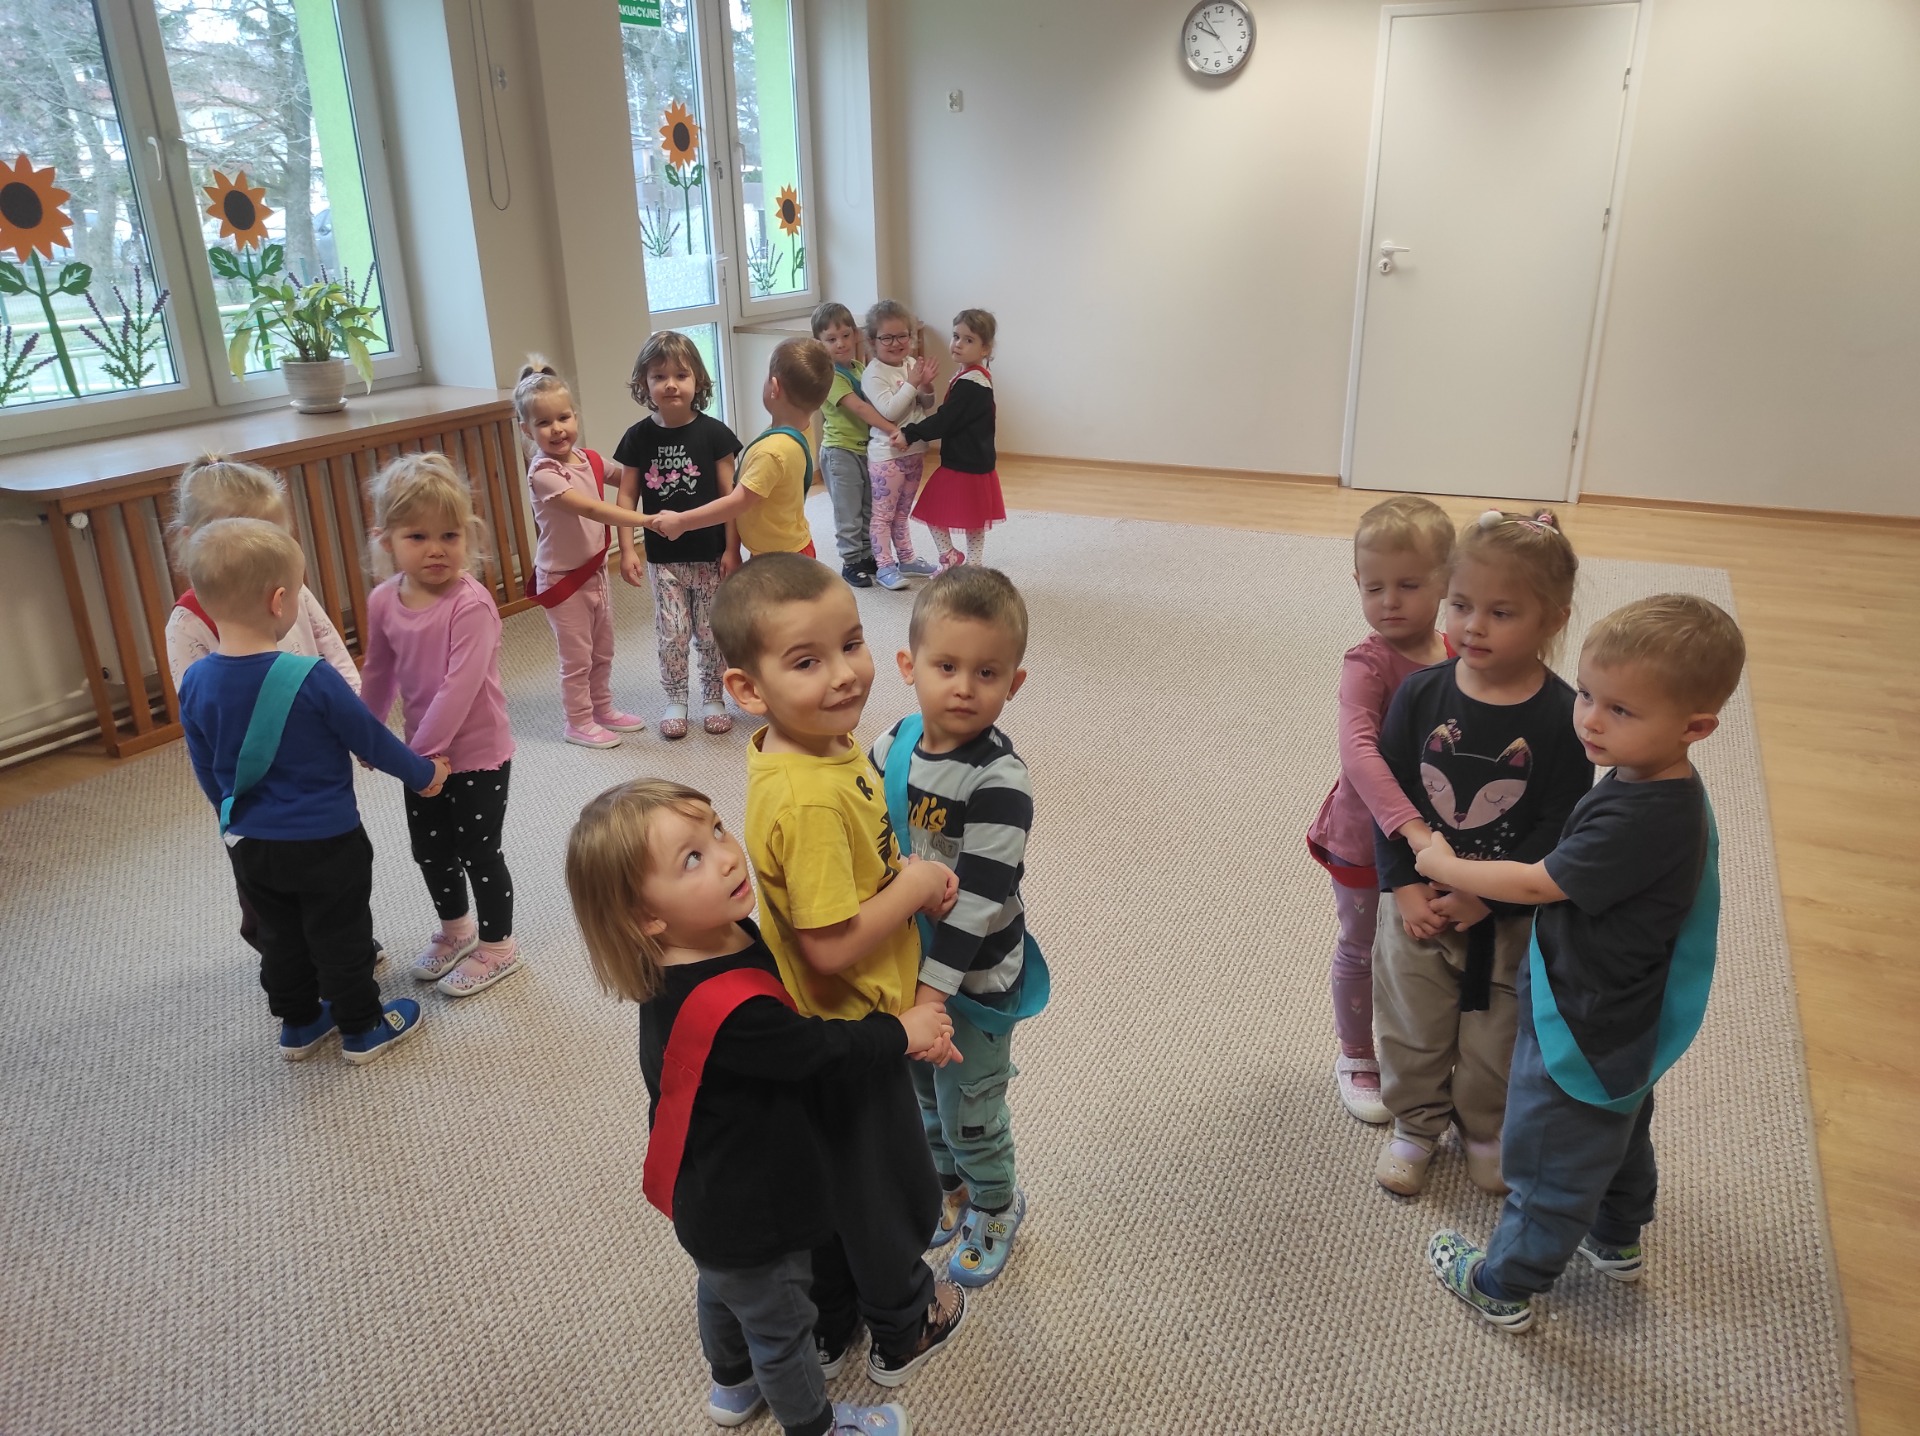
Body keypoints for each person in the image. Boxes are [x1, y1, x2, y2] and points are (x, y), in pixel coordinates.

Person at [566, 778, 944, 1436]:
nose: (725, 855)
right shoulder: (731, 1010)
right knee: (782, 1331)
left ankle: (732, 1384)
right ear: (646, 917)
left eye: (715, 829)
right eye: (691, 858)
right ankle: (814, 1424)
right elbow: (818, 1050)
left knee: (721, 1289)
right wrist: (899, 1032)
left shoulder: (708, 939)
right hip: (755, 1208)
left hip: (706, 1191)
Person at [1420, 595, 1746, 1331]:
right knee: (1617, 1128)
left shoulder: (1641, 817)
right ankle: (1616, 1238)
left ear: (1695, 728)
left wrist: (1447, 863)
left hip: (1584, 1017)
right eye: (1589, 694)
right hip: (1622, 1012)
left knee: (1548, 1158)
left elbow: (1539, 883)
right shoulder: (1655, 779)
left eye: (1620, 710)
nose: (1591, 719)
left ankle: (1503, 1282)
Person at [711, 553, 971, 1388]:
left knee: (828, 1178)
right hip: (854, 1022)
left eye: (851, 644)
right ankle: (904, 1323)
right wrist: (917, 885)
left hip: (827, 1019)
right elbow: (827, 944)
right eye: (806, 661)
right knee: (883, 1188)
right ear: (747, 689)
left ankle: (829, 1321)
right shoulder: (812, 797)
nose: (844, 674)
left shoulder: (806, 749)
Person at [1371, 509, 1594, 1197]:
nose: (1473, 626)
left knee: (1497, 1037)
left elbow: (1560, 824)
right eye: (1461, 605)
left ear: (1553, 619)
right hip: (1415, 907)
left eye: (1501, 612)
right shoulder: (1420, 694)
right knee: (1411, 1024)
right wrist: (1403, 886)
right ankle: (1415, 1124)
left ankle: (1485, 1130)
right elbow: (1390, 798)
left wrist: (1485, 895)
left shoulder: (1563, 718)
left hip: (1506, 919)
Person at [177, 517, 446, 1064]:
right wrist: (424, 775)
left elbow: (206, 766)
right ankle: (363, 1027)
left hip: (250, 843)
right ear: (280, 601)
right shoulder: (312, 676)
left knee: (280, 936)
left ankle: (298, 1024)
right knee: (341, 933)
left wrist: (230, 820)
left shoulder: (196, 681)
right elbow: (370, 739)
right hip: (326, 840)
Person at [873, 566, 1045, 1288]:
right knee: (920, 1092)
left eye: (987, 672)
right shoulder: (891, 746)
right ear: (909, 665)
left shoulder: (1000, 781)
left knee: (970, 1106)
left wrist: (932, 998)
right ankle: (946, 1184)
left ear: (1015, 683)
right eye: (946, 666)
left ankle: (997, 1203)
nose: (965, 687)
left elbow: (977, 904)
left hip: (971, 983)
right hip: (906, 967)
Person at [163, 454, 385, 970]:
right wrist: (222, 797)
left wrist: (361, 723)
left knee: (335, 859)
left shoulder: (291, 588)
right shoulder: (188, 622)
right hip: (251, 778)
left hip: (313, 755)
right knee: (265, 876)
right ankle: (285, 956)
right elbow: (197, 709)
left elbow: (330, 646)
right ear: (192, 540)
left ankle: (342, 942)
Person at [1305, 496, 1455, 1125]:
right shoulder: (1367, 666)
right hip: (1368, 838)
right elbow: (1360, 754)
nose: (1389, 601)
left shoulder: (1463, 654)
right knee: (1362, 945)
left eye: (1409, 585)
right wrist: (1413, 832)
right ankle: (1357, 1053)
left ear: (1447, 580)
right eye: (1374, 588)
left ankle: (1431, 1053)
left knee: (1431, 947)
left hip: (1447, 838)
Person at [360, 453, 523, 998]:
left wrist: (416, 758)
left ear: (467, 535)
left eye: (449, 535)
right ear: (386, 541)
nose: (436, 549)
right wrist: (368, 734)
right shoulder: (384, 601)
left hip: (476, 754)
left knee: (480, 851)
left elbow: (460, 688)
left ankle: (498, 946)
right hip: (422, 758)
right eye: (418, 536)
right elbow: (378, 671)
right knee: (430, 850)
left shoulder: (470, 604)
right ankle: (457, 930)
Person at [513, 357, 652, 749]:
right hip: (563, 580)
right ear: (526, 429)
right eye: (544, 422)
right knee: (577, 657)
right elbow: (591, 509)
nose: (557, 429)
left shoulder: (588, 459)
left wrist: (664, 472)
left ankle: (601, 708)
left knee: (602, 650)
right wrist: (647, 520)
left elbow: (628, 477)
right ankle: (577, 722)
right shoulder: (544, 473)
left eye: (564, 417)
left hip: (596, 573)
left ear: (575, 416)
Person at [611, 331, 744, 739]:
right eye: (659, 376)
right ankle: (676, 698)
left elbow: (731, 497)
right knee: (672, 631)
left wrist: (733, 548)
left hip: (710, 554)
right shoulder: (637, 437)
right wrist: (626, 549)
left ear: (697, 381)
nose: (670, 384)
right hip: (663, 558)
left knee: (709, 630)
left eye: (681, 375)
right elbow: (626, 495)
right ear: (644, 383)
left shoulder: (715, 434)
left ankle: (713, 696)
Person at [653, 339, 834, 561]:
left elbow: (735, 504)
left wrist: (682, 522)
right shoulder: (800, 428)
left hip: (779, 559)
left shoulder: (773, 452)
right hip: (786, 545)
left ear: (774, 387)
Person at [900, 309, 1005, 571]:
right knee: (974, 519)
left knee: (932, 509)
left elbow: (945, 420)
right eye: (956, 336)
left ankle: (952, 557)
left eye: (968, 340)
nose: (958, 344)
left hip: (962, 463)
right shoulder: (975, 376)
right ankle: (972, 565)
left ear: (985, 349)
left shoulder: (971, 384)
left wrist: (910, 433)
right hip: (977, 462)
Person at [859, 301, 940, 590]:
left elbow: (926, 404)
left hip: (914, 451)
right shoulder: (873, 373)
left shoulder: (910, 365)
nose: (896, 343)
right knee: (883, 515)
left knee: (902, 513)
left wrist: (926, 385)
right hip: (887, 456)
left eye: (902, 336)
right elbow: (889, 411)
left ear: (911, 336)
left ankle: (907, 558)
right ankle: (885, 566)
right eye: (887, 338)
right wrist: (912, 383)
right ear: (872, 341)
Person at [810, 301, 892, 589]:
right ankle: (851, 560)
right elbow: (859, 407)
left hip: (865, 449)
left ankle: (868, 554)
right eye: (831, 339)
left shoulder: (859, 369)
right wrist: (892, 429)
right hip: (840, 452)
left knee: (869, 506)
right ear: (819, 344)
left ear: (856, 334)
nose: (840, 344)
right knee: (848, 511)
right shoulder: (829, 376)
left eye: (845, 335)